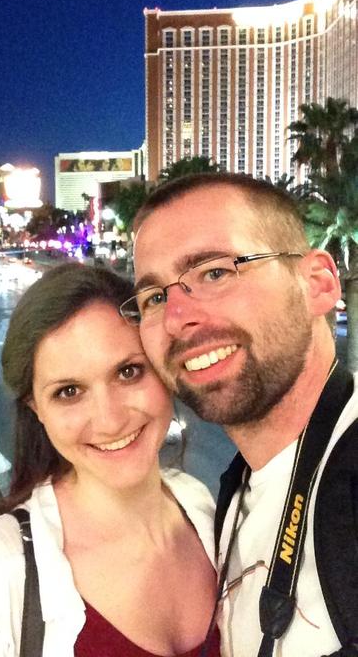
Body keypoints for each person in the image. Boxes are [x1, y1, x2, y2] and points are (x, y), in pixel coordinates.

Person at [0, 263, 219, 657]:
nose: (110, 419)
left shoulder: (202, 508)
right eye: (69, 392)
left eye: (129, 372)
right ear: (36, 409)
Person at [127, 173, 356, 656]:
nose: (177, 318)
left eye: (215, 273)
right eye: (155, 297)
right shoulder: (232, 493)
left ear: (317, 284)